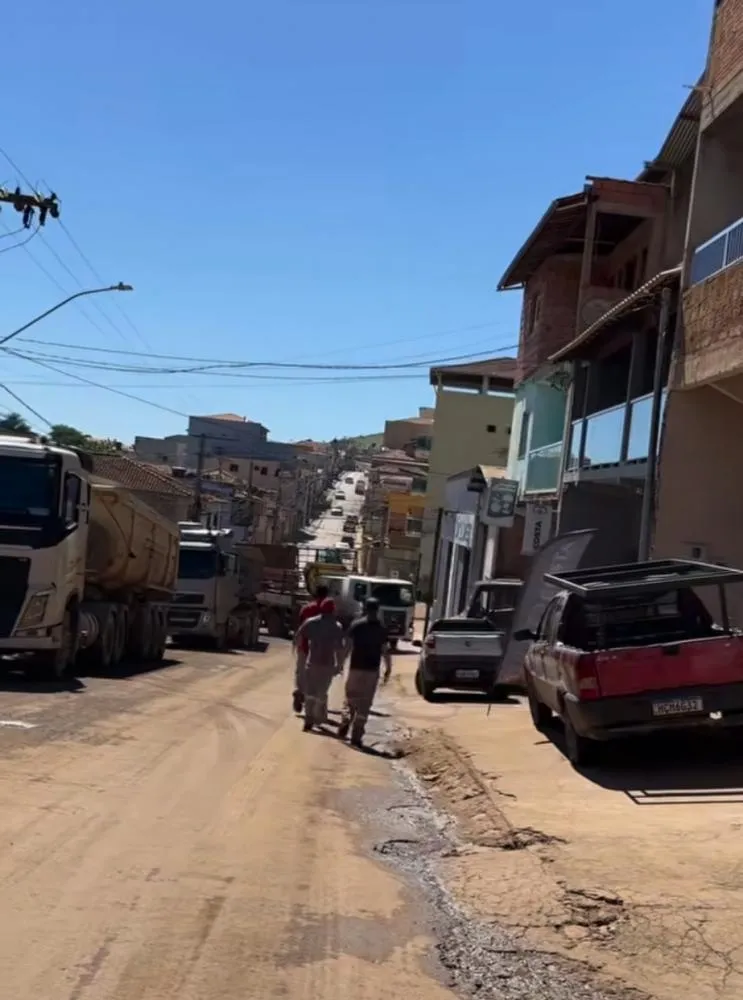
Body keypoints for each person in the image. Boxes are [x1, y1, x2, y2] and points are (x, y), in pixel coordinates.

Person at [338, 597, 392, 748]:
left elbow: (347, 646)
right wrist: (388, 668)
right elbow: (385, 650)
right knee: (365, 704)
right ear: (378, 610)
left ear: (365, 609)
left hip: (356, 668)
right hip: (371, 671)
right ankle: (356, 736)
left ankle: (346, 719)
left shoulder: (357, 625)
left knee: (350, 698)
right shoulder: (381, 629)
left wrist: (341, 663)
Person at [294, 597, 345, 732]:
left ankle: (308, 718)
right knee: (322, 693)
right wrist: (339, 665)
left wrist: (299, 650)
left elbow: (299, 635)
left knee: (310, 692)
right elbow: (340, 649)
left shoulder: (311, 622)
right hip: (327, 664)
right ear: (333, 611)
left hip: (312, 662)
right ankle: (317, 717)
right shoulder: (337, 627)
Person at [292, 584, 330, 715]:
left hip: (304, 645)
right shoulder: (328, 611)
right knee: (319, 678)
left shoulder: (307, 608)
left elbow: (300, 626)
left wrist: (297, 643)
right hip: (321, 650)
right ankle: (315, 702)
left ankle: (299, 691)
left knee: (301, 672)